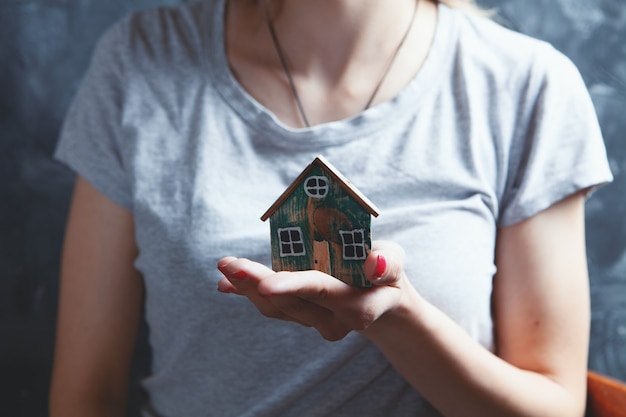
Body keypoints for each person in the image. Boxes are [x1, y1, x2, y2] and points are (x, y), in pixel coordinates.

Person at [49, 0, 613, 416]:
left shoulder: (526, 86)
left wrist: (399, 319)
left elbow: (553, 405)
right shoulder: (140, 60)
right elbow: (84, 393)